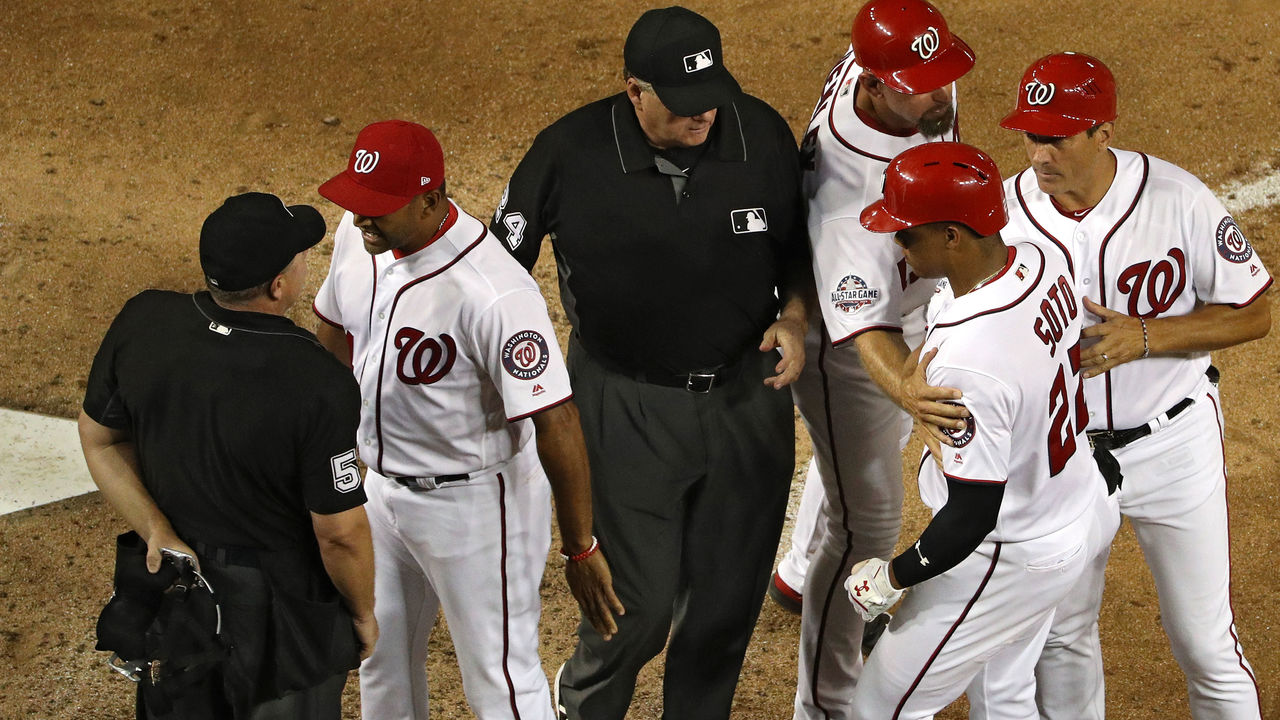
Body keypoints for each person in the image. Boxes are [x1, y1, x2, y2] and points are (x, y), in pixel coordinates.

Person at [491, 7, 811, 719]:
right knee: (634, 611)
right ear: (635, 90)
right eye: (685, 104)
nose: (704, 116)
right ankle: (587, 708)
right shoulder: (567, 152)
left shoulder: (757, 134)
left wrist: (794, 314)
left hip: (746, 399)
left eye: (711, 98)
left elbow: (797, 250)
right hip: (623, 403)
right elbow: (496, 269)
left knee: (726, 605)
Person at [312, 119, 616, 720]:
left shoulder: (494, 291)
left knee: (499, 680)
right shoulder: (360, 234)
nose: (362, 219)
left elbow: (555, 420)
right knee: (380, 659)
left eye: (379, 208)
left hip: (475, 508)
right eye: (358, 204)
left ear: (431, 199)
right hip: (379, 492)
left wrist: (579, 548)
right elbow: (332, 327)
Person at [998, 52, 1270, 719]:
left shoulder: (1177, 198)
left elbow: (1255, 312)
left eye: (1058, 134)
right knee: (1062, 638)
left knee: (1206, 644)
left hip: (1173, 443)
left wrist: (1145, 336)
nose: (1041, 152)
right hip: (1060, 461)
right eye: (1033, 134)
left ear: (1102, 131)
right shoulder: (1001, 215)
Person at [79, 192, 377, 719]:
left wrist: (156, 529)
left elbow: (99, 439)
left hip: (177, 595)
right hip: (278, 616)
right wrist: (362, 612)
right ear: (279, 286)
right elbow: (339, 532)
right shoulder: (316, 380)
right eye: (300, 256)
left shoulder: (143, 320)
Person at [846, 141, 1117, 719]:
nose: (897, 243)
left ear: (953, 236)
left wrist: (892, 576)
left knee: (879, 708)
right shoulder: (1042, 260)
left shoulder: (969, 363)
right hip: (1075, 501)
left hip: (1007, 553)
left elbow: (972, 515)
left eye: (907, 232)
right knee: (1003, 691)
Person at [779, 1, 975, 716]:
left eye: (942, 73)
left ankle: (800, 569)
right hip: (850, 347)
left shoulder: (914, 86)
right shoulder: (847, 199)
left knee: (854, 479)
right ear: (872, 83)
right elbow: (866, 336)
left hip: (913, 301)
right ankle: (825, 703)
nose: (940, 93)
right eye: (921, 83)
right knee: (870, 525)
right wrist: (910, 391)